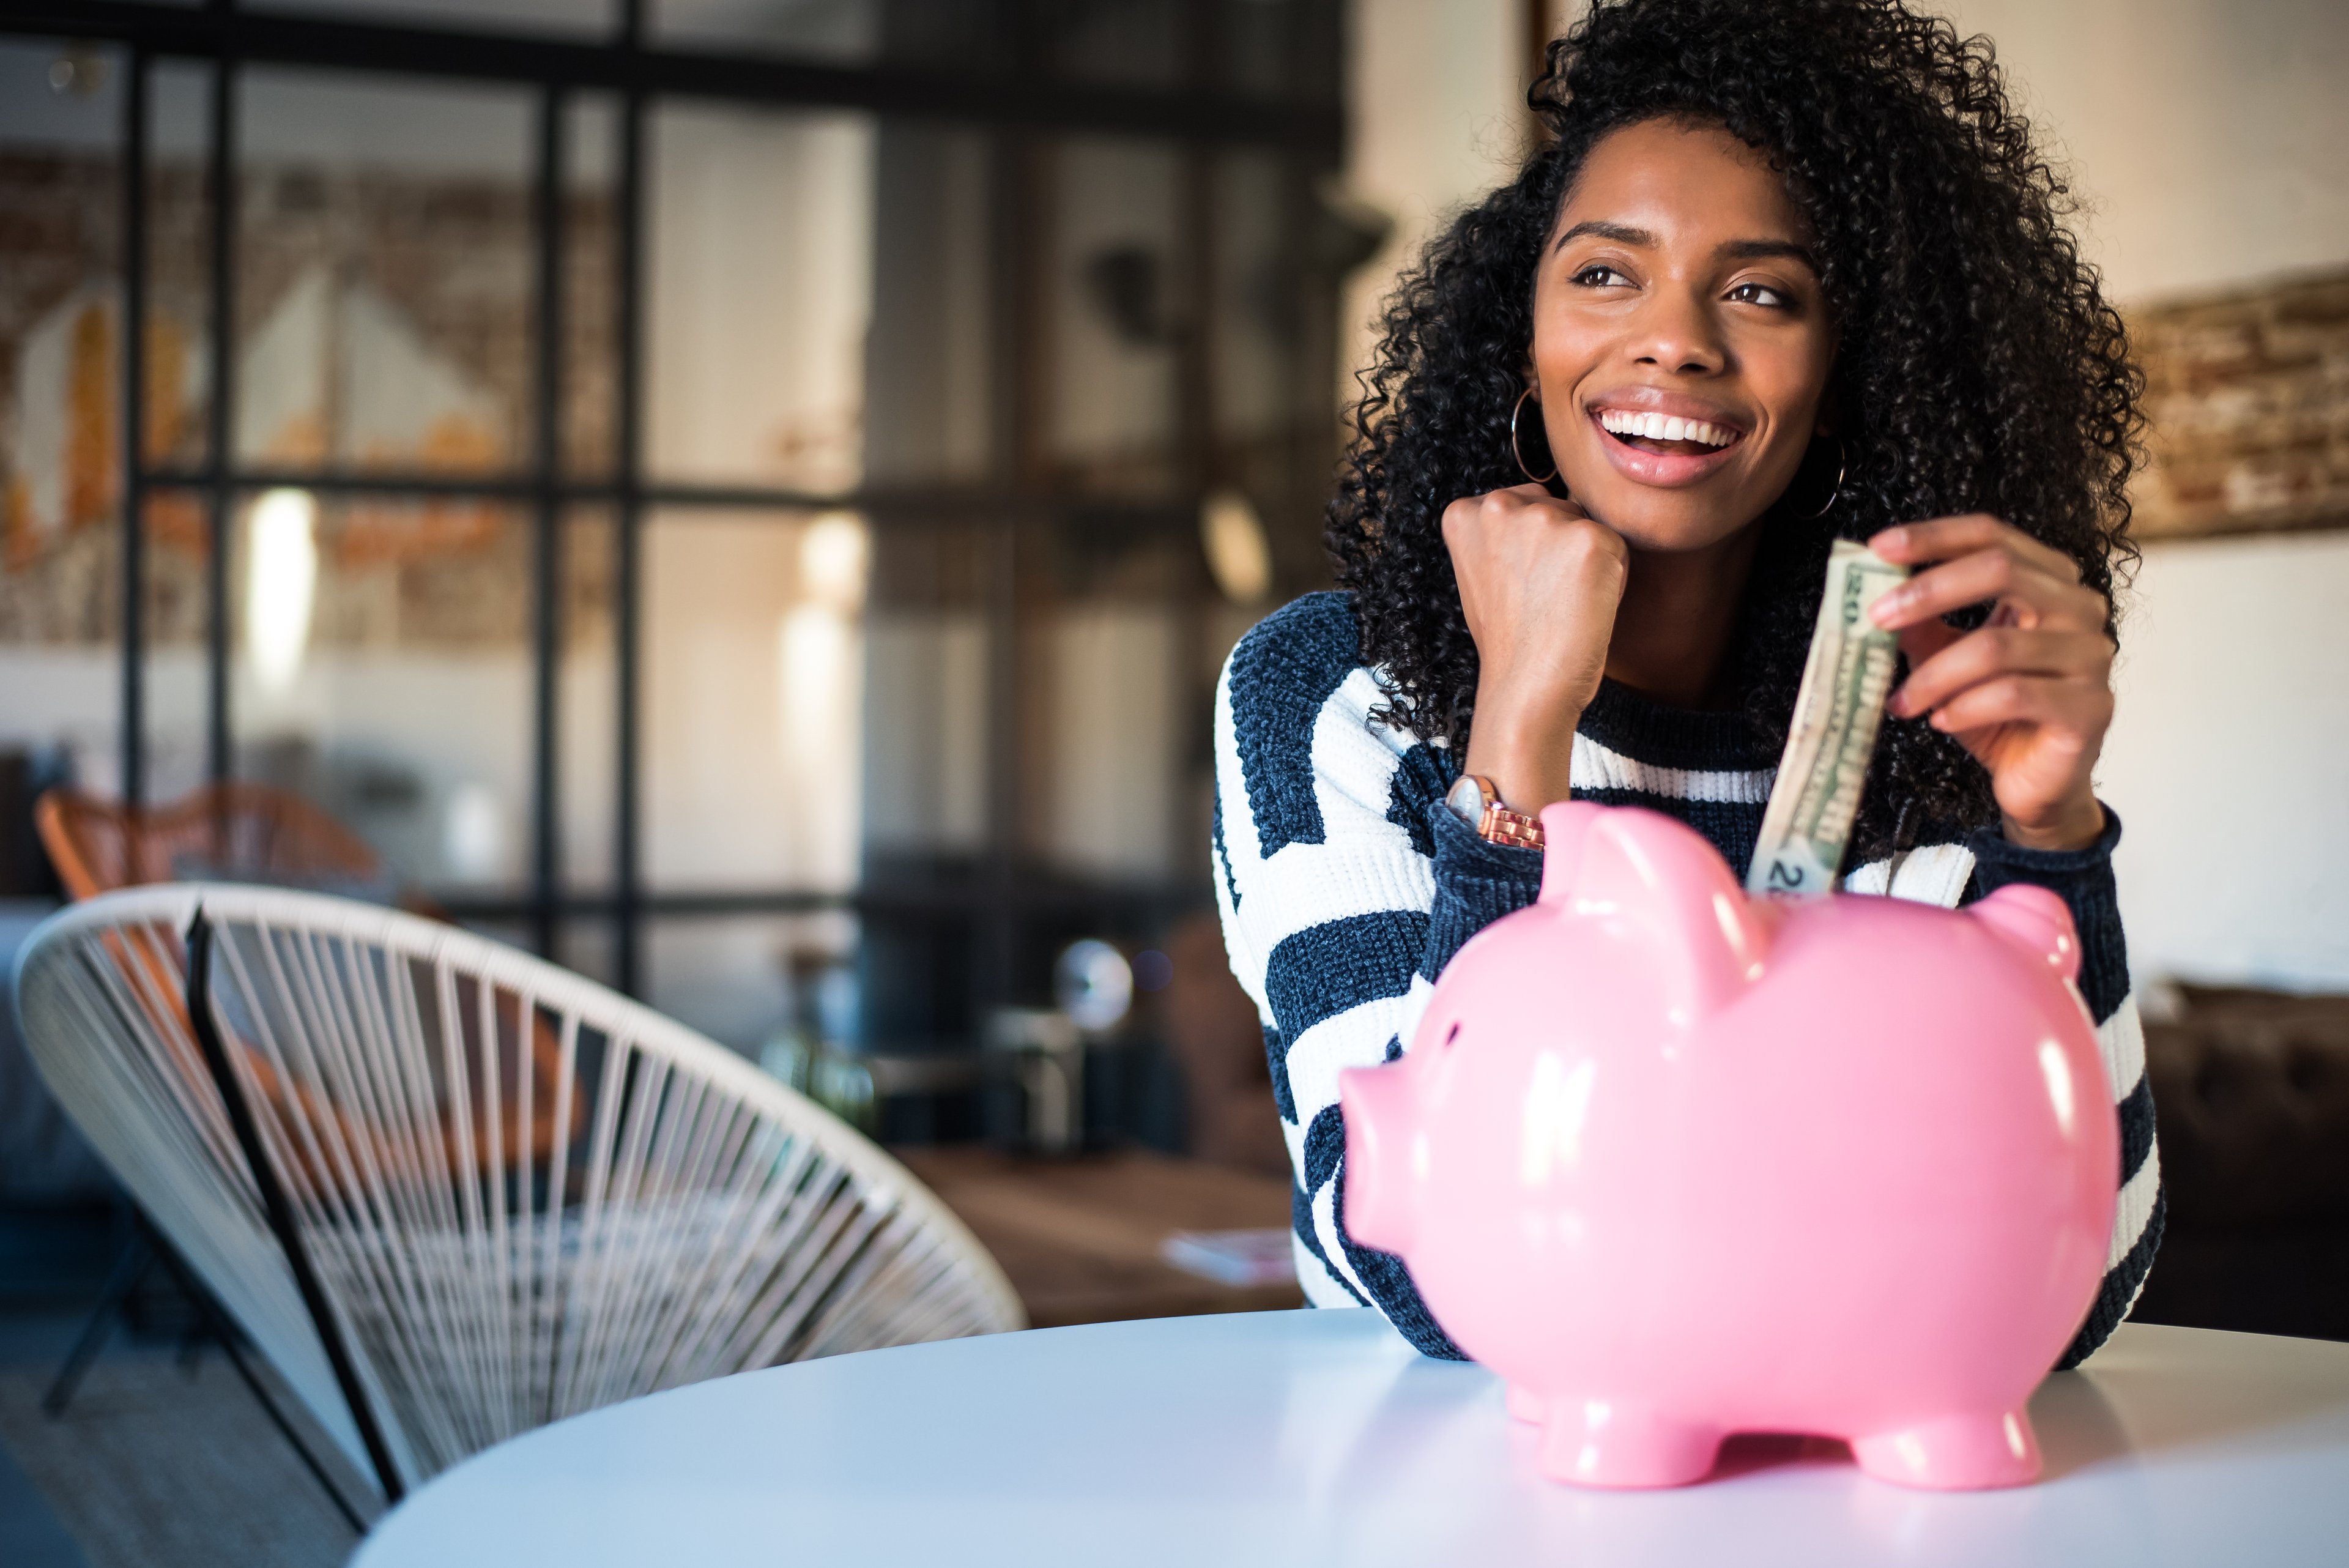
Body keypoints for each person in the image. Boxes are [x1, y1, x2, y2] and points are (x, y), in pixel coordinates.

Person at [1211, 0, 2160, 1367]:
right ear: (1516, 329)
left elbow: (2070, 1297)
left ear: (1840, 379)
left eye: (1762, 291)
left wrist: (2052, 838)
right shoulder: (1336, 693)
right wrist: (1519, 725)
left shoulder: (1917, 704)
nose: (1676, 340)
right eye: (1605, 273)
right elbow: (1410, 1263)